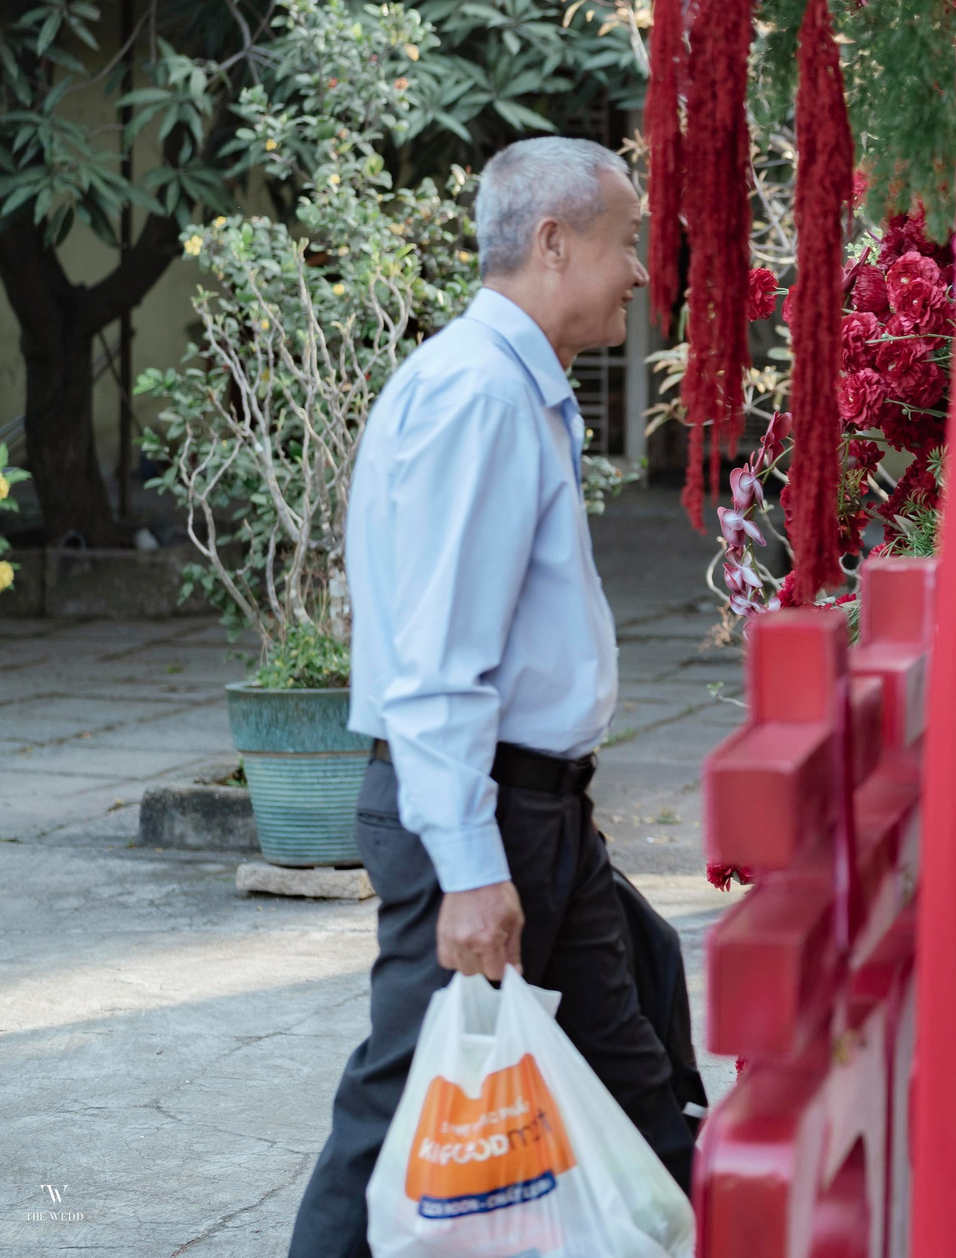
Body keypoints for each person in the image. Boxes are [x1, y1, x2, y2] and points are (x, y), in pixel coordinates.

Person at [288, 137, 693, 1256]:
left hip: (541, 811)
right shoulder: (477, 393)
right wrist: (472, 870)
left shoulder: (511, 384)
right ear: (553, 242)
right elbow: (433, 663)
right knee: (398, 1112)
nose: (641, 274)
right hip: (489, 816)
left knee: (641, 1086)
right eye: (625, 244)